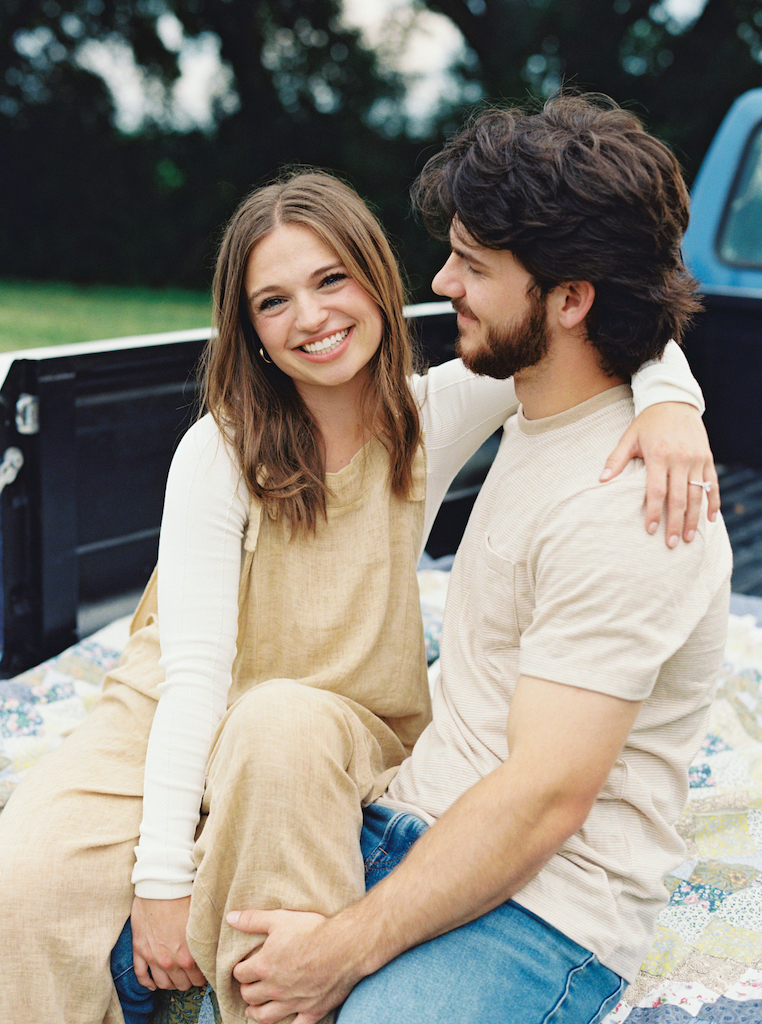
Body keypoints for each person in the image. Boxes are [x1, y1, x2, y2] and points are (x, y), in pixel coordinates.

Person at [0, 166, 712, 1024]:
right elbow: (192, 680)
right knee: (26, 884)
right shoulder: (218, 452)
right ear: (250, 331)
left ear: (377, 281)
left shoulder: (437, 412)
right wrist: (160, 882)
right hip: (177, 709)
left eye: (331, 279)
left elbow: (599, 325)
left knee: (281, 736)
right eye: (273, 302)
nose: (311, 317)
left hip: (323, 727)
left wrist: (674, 404)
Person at [225, 96, 734, 1024]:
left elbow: (544, 800)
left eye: (473, 264)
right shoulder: (523, 400)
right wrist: (672, 387)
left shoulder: (634, 503)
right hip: (409, 818)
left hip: (543, 907)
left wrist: (342, 949)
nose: (441, 280)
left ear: (571, 298)